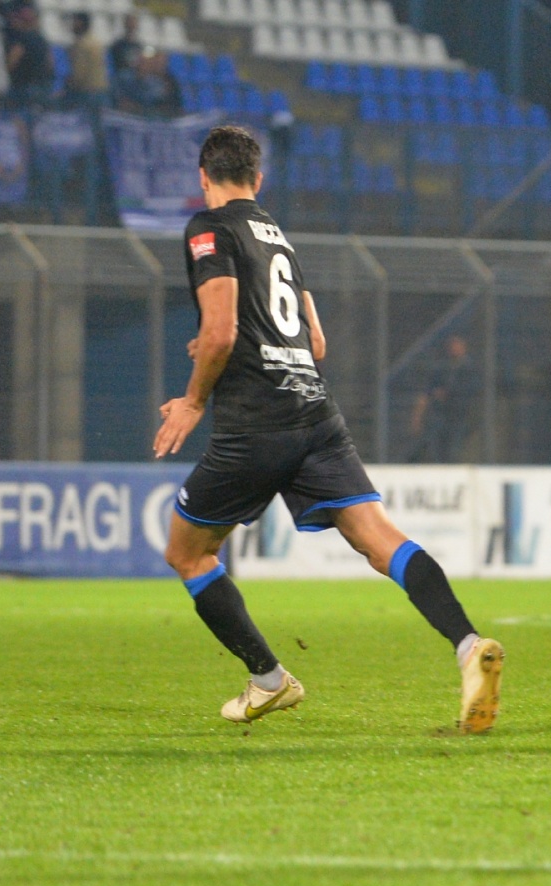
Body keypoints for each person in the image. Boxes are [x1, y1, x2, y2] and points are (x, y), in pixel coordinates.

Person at [155, 126, 504, 732]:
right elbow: (312, 338)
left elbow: (221, 332)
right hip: (315, 414)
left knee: (187, 552)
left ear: (203, 178)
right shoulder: (277, 239)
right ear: (258, 180)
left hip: (256, 424)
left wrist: (191, 400)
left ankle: (269, 681)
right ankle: (468, 645)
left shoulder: (208, 228)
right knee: (379, 539)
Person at [407, 333, 480, 463]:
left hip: (460, 416)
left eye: (458, 345)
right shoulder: (441, 368)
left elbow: (470, 390)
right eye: (452, 345)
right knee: (437, 447)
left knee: (453, 449)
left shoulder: (469, 369)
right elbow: (427, 393)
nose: (454, 348)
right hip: (440, 415)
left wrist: (450, 393)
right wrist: (417, 416)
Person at [4, 5, 52, 109]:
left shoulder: (21, 39)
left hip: (22, 86)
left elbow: (12, 61)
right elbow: (50, 63)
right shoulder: (42, 39)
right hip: (40, 85)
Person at [64, 12, 108, 109]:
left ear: (80, 23)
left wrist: (68, 86)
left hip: (87, 93)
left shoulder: (82, 45)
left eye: (74, 22)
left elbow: (79, 74)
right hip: (100, 90)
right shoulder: (95, 41)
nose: (72, 25)